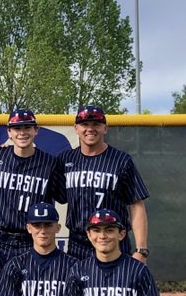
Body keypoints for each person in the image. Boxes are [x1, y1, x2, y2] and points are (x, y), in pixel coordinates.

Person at [60, 105, 150, 262]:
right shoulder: (66, 159)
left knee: (116, 286)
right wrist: (4, 152)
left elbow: (136, 204)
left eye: (96, 124)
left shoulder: (121, 160)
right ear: (76, 128)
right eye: (85, 124)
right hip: (77, 244)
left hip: (113, 241)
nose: (90, 129)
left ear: (105, 128)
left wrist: (141, 250)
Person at [0, 108, 64, 262]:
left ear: (36, 130)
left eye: (27, 127)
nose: (22, 132)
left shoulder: (49, 163)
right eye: (17, 128)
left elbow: (64, 196)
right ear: (9, 132)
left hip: (31, 240)